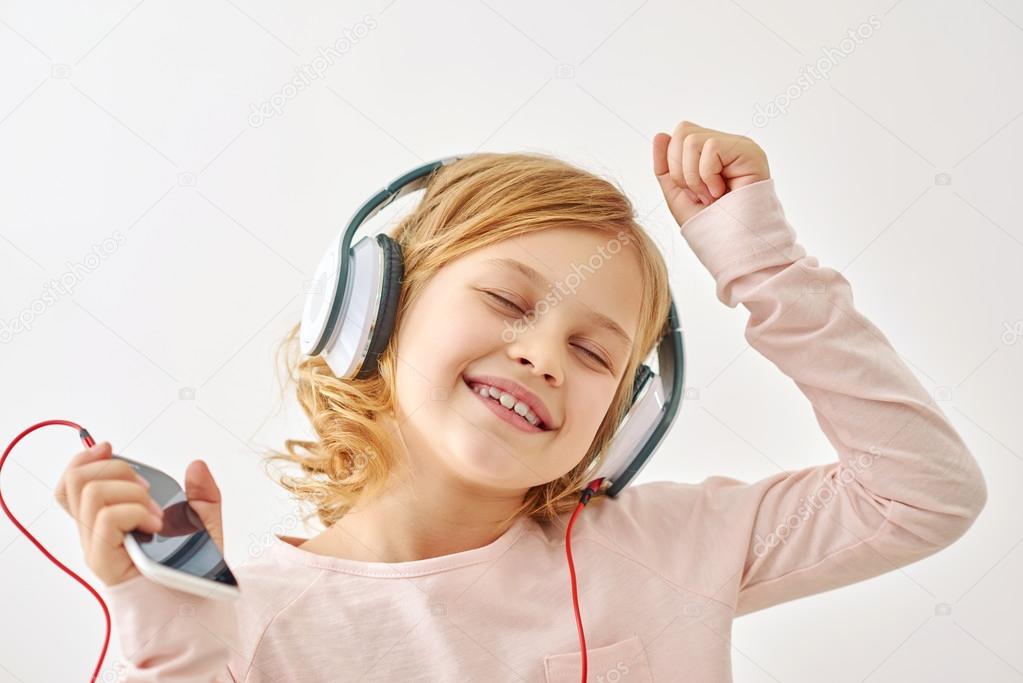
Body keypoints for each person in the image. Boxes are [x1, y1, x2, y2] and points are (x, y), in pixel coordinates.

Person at [54, 121, 988, 682]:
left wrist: (763, 263)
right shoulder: (243, 619)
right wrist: (175, 645)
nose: (543, 353)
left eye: (592, 352)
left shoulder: (666, 547)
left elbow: (921, 492)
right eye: (506, 301)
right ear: (370, 313)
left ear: (617, 429)